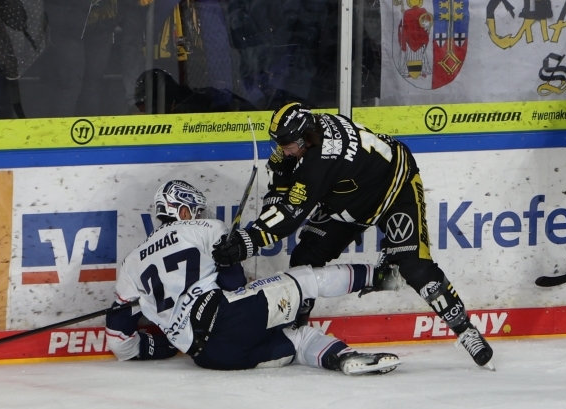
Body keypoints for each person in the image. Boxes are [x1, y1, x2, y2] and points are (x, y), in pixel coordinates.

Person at [211, 103, 495, 369]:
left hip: (395, 189)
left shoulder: (319, 160)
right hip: (350, 201)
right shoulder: (305, 138)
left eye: (287, 146)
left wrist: (249, 240)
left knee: (415, 267)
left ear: (303, 139)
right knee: (305, 256)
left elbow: (290, 214)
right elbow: (281, 186)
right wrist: (266, 215)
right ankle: (297, 328)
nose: (283, 151)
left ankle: (466, 331)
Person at [105, 180, 403, 375]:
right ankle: (382, 276)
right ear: (183, 211)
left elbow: (120, 343)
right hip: (228, 317)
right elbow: (233, 283)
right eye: (196, 211)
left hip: (211, 357)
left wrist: (166, 345)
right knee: (304, 280)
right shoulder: (206, 229)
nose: (200, 215)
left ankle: (343, 358)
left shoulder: (131, 264)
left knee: (298, 341)